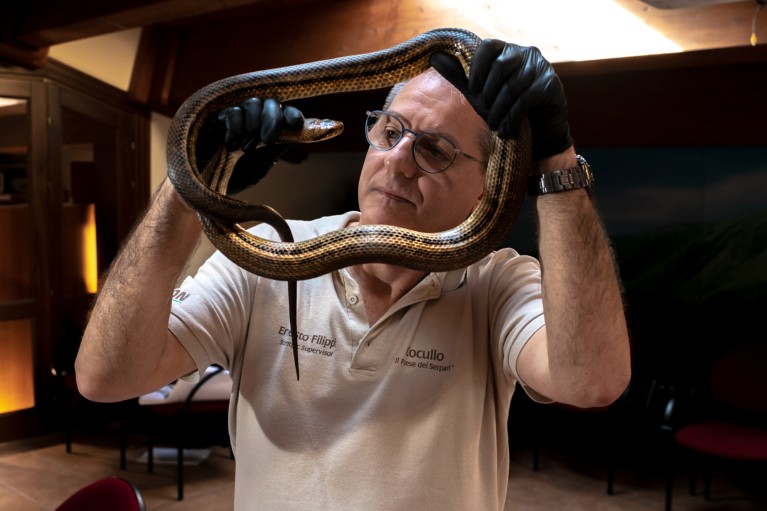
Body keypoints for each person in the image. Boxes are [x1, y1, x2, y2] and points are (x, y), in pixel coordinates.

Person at [75, 37, 630, 510]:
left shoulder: (498, 284)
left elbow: (592, 384)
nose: (398, 159)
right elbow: (106, 378)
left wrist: (557, 161)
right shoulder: (268, 253)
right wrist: (187, 185)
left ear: (488, 185)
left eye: (434, 149)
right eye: (391, 131)